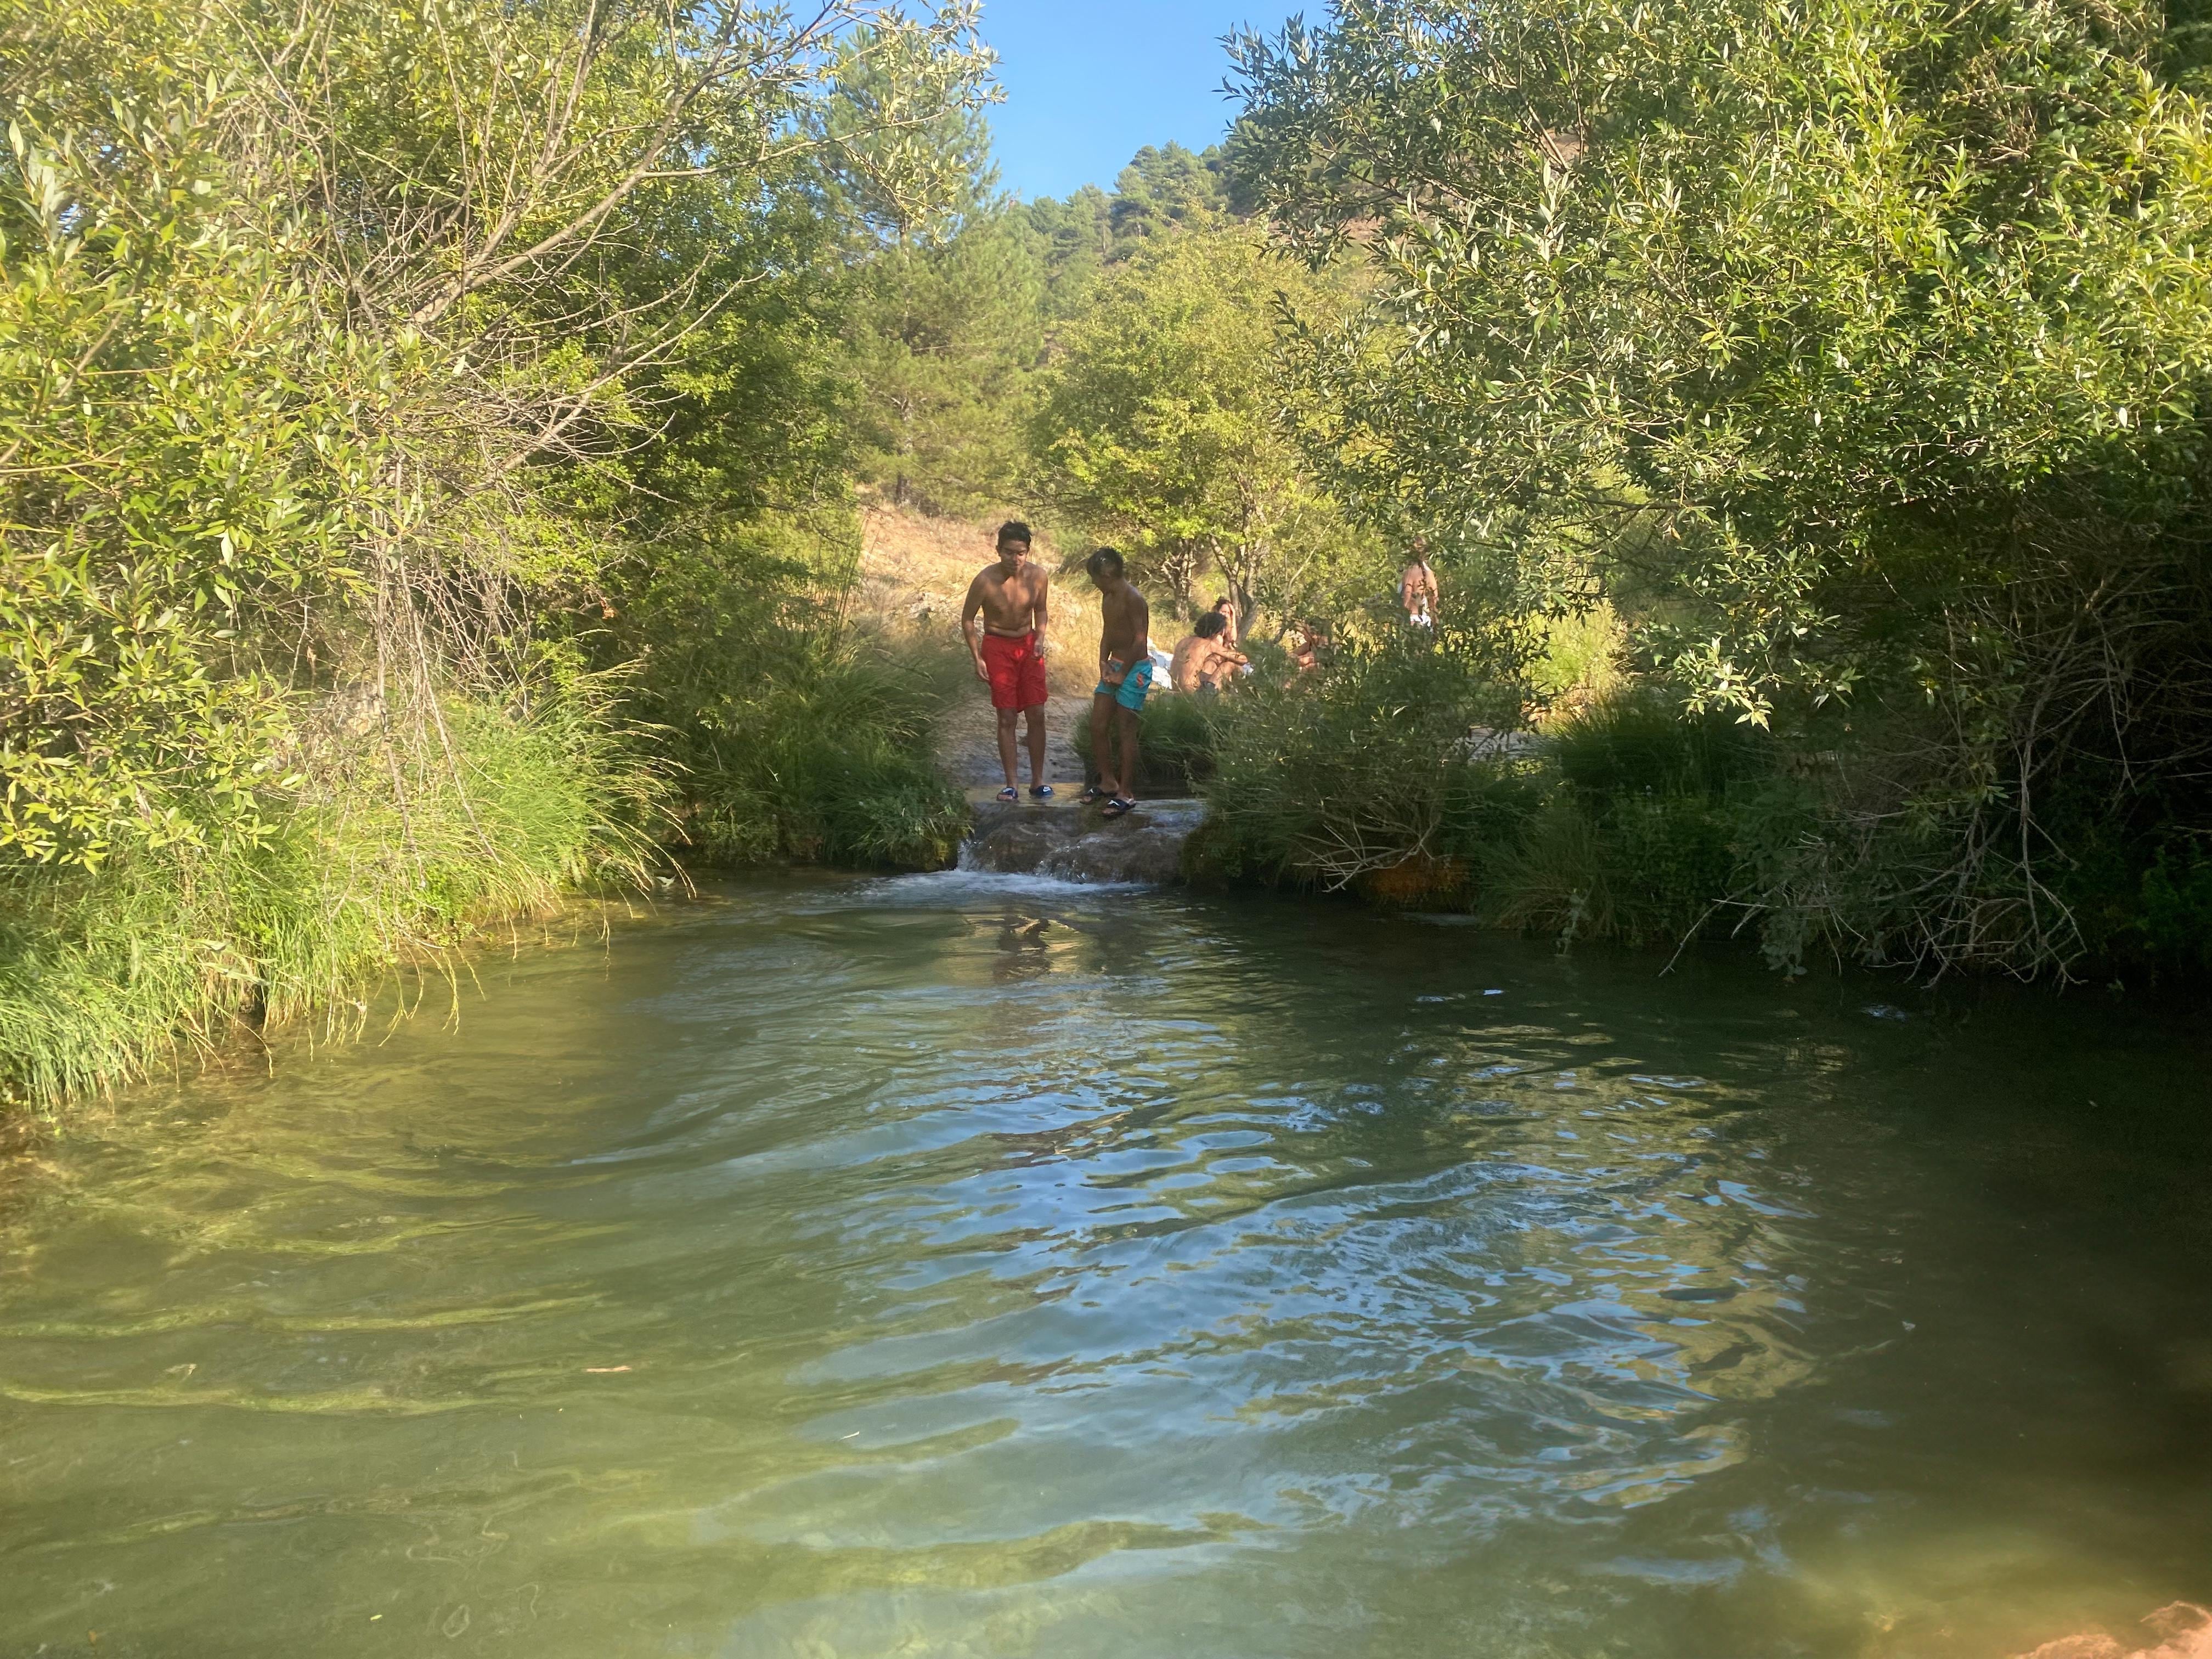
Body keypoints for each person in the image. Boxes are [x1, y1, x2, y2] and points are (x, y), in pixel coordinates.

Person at [961, 521, 1053, 801]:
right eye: (1010, 552)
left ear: (1028, 552)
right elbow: (967, 618)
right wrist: (977, 656)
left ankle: (1037, 781)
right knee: (1007, 716)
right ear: (999, 550)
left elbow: (1042, 610)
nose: (1016, 559)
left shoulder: (1038, 576)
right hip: (997, 645)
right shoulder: (985, 580)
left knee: (1037, 713)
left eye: (1022, 553)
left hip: (1028, 645)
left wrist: (1040, 637)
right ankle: (1011, 784)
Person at [1081, 547, 1150, 817]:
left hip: (1136, 668)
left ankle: (1126, 792)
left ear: (1107, 574)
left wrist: (1123, 674)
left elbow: (1140, 640)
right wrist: (1102, 662)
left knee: (1125, 729)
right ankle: (1108, 781)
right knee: (1098, 725)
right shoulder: (1107, 597)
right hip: (1115, 664)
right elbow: (1107, 632)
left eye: (1095, 578)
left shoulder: (1134, 599)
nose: (1094, 583)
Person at [1170, 612, 1246, 693]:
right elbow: (1243, 659)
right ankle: (1241, 692)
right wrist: (1229, 645)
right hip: (1193, 694)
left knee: (1210, 664)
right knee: (1230, 665)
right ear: (1221, 632)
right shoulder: (1208, 644)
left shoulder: (1183, 642)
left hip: (1177, 690)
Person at [1401, 536, 1439, 629]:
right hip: (1427, 621)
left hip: (1412, 620)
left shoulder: (1410, 573)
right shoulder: (1430, 574)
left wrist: (1401, 617)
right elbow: (1434, 600)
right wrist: (1436, 623)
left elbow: (1407, 597)